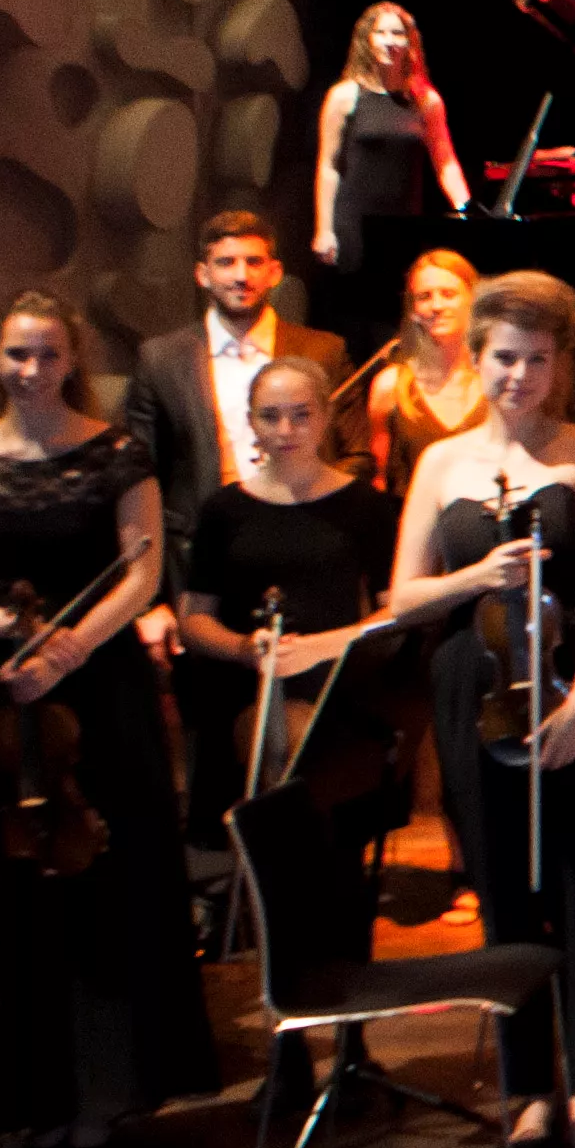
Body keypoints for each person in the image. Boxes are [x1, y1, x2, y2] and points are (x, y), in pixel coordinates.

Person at [0, 290, 214, 1148]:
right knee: (12, 890)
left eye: (48, 355)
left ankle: (113, 1089)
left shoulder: (118, 455)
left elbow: (140, 573)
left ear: (71, 361)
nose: (32, 371)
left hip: (101, 686)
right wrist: (16, 631)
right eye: (18, 354)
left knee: (116, 885)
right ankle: (27, 1092)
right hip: (3, 693)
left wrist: (70, 646)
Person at [386, 272, 575, 1148]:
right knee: (503, 892)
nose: (518, 378)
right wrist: (473, 580)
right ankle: (527, 1089)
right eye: (504, 358)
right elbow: (403, 596)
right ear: (476, 352)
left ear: (560, 363)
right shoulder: (441, 463)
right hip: (477, 693)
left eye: (536, 361)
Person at [170, 354, 399, 828]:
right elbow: (193, 619)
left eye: (301, 414)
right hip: (246, 682)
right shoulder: (223, 509)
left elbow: (393, 611)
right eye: (270, 416)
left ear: (325, 418)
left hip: (336, 682)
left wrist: (323, 646)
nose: (285, 429)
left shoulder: (365, 506)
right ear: (251, 423)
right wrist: (243, 648)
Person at [124, 210, 343, 662]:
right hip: (199, 568)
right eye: (226, 263)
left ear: (275, 272)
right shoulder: (159, 359)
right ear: (202, 274)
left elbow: (354, 457)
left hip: (301, 552)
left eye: (254, 261)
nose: (241, 275)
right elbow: (140, 484)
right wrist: (151, 597)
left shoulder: (324, 350)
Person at [309, 2, 469, 329]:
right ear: (367, 40)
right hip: (355, 224)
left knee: (400, 313)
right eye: (380, 33)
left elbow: (445, 158)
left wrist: (465, 207)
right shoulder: (345, 96)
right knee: (357, 315)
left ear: (410, 42)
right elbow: (328, 165)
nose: (388, 41)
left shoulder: (425, 100)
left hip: (403, 222)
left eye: (397, 33)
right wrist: (324, 228)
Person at [365, 247, 492, 488]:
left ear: (473, 299)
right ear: (413, 310)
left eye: (448, 294)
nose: (437, 305)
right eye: (424, 297)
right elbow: (379, 479)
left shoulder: (498, 379)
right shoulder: (391, 386)